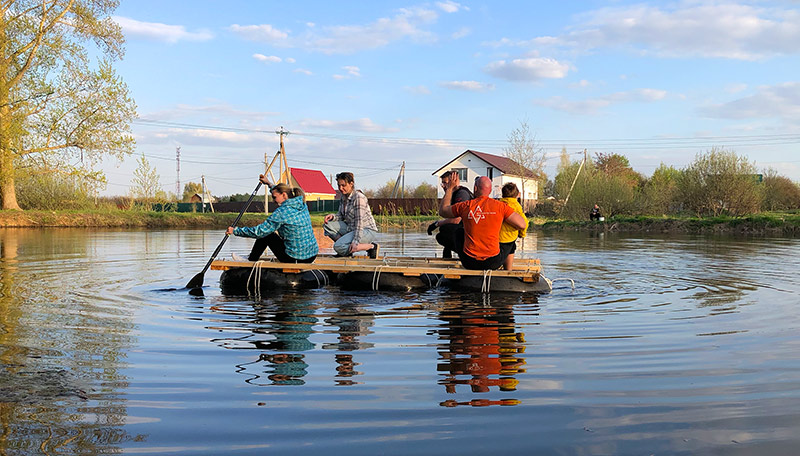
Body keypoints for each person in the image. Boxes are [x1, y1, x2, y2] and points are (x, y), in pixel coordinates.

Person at [439, 174, 526, 270]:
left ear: (475, 188)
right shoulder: (500, 206)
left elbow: (443, 211)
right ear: (490, 190)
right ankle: (508, 270)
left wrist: (449, 189)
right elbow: (522, 225)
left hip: (469, 262)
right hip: (492, 262)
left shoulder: (465, 206)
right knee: (511, 240)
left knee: (458, 231)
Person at [227, 175, 318, 263]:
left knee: (266, 234)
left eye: (274, 198)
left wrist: (235, 231)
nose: (273, 201)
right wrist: (268, 183)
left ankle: (251, 259)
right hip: (311, 256)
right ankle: (251, 257)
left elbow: (260, 232)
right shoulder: (302, 204)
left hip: (295, 259)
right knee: (270, 233)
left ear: (284, 195)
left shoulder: (282, 212)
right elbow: (278, 191)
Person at [323, 172, 380, 258]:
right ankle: (345, 251)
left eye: (343, 185)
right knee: (327, 226)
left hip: (366, 230)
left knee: (337, 246)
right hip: (351, 227)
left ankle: (371, 247)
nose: (341, 188)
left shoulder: (358, 198)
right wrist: (333, 217)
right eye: (339, 185)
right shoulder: (343, 197)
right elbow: (341, 216)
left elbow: (359, 222)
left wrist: (355, 241)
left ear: (351, 184)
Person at [427, 171, 473, 258]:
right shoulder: (451, 194)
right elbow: (443, 211)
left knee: (445, 230)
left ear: (453, 181)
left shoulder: (461, 194)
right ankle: (447, 257)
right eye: (442, 183)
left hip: (468, 230)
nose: (443, 186)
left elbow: (457, 220)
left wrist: (437, 224)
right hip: (463, 229)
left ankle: (465, 255)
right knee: (444, 232)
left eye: (445, 183)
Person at [498, 182, 527, 271]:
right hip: (509, 237)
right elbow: (524, 222)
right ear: (517, 195)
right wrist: (522, 234)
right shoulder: (516, 206)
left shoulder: (498, 204)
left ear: (502, 194)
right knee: (511, 249)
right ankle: (508, 270)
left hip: (495, 237)